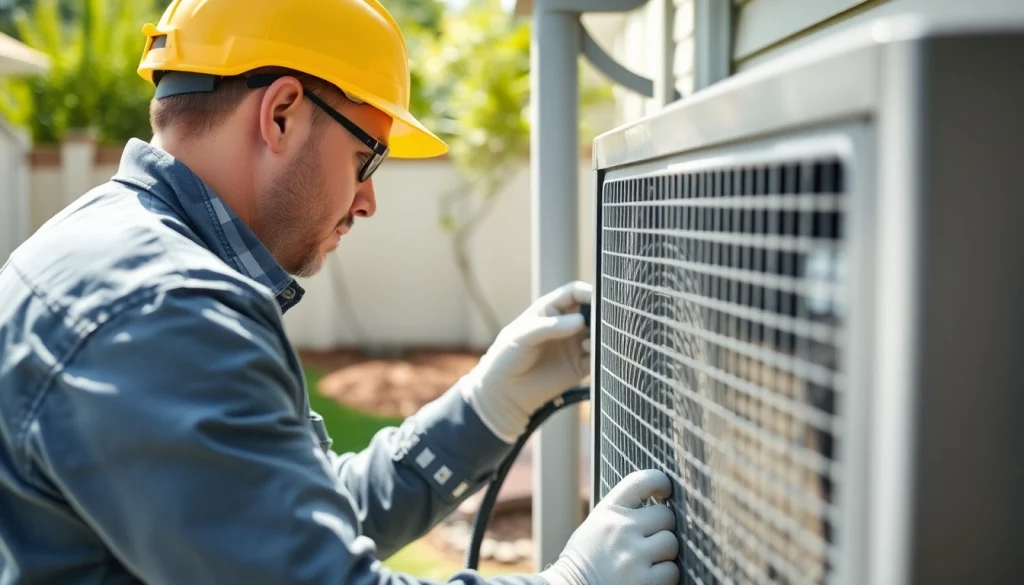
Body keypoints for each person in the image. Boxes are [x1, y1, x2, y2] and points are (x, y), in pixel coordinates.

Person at [0, 1, 680, 584]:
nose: (368, 200)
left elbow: (290, 522)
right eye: (367, 157)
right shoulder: (161, 309)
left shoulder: (114, 256)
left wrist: (484, 409)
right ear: (283, 113)